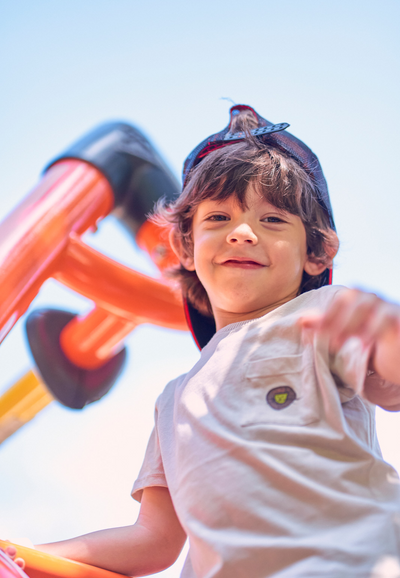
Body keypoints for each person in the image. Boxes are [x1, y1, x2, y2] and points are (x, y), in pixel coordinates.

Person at [6, 105, 400, 577]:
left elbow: (391, 381)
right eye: (218, 217)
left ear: (316, 252)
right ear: (186, 248)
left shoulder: (320, 316)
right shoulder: (174, 400)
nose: (241, 233)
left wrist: (388, 334)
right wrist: (19, 552)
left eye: (272, 220)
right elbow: (152, 541)